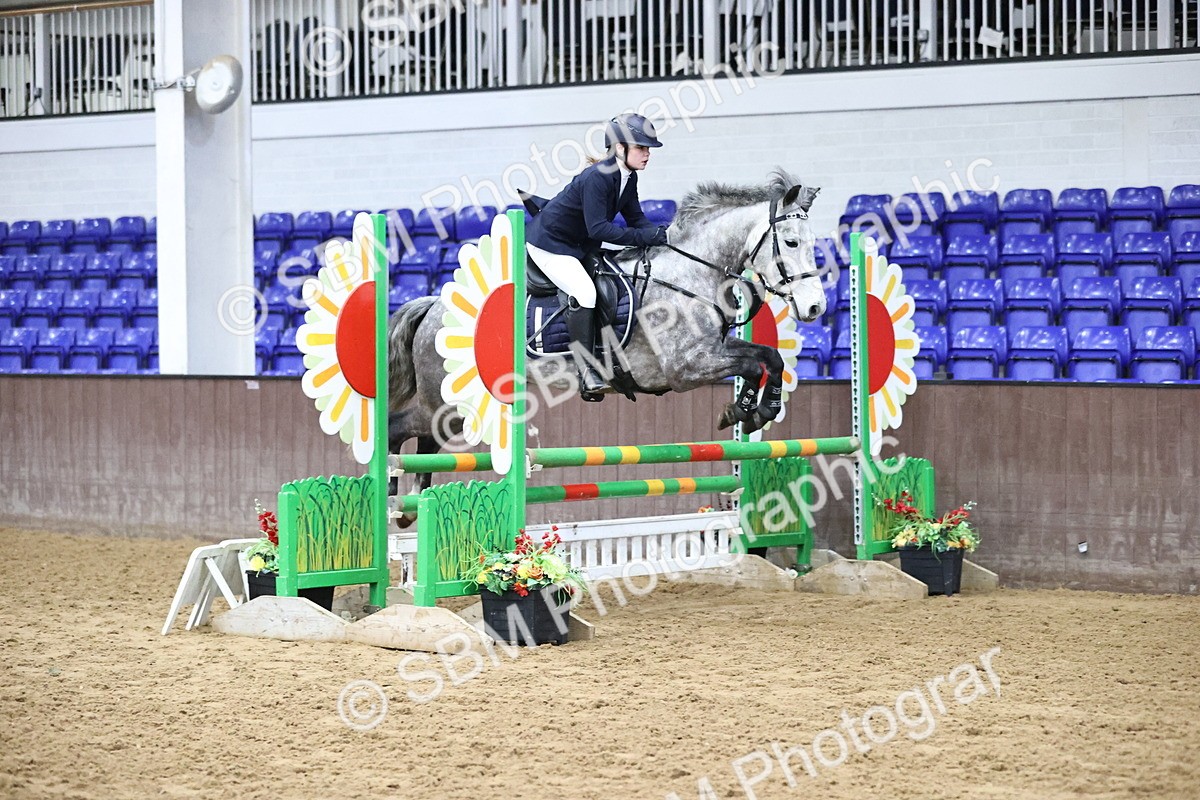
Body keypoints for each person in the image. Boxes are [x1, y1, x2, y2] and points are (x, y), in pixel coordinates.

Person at [525, 112, 670, 400]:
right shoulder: (598, 177)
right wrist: (645, 237)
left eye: (648, 149)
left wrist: (665, 237)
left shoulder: (627, 178)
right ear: (620, 148)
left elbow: (636, 219)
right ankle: (587, 370)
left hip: (579, 244)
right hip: (550, 244)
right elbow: (600, 228)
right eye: (641, 148)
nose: (647, 154)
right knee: (584, 292)